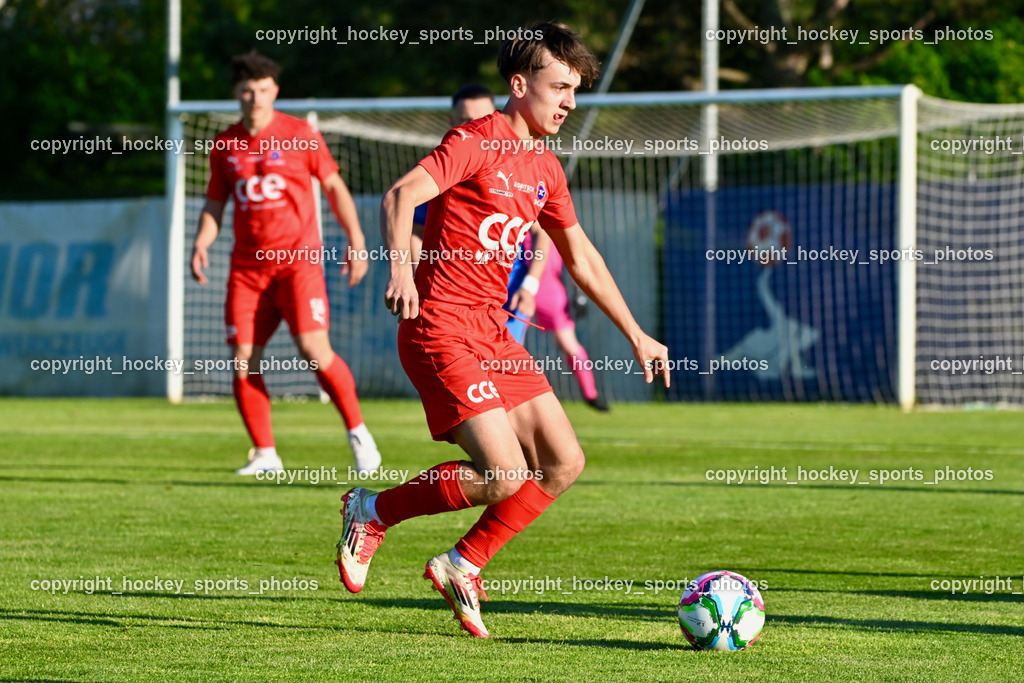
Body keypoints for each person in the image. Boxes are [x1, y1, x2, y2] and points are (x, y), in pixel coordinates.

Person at [336, 24, 669, 638]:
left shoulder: (545, 167)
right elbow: (400, 196)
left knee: (563, 463)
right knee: (505, 475)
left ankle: (462, 563)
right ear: (519, 85)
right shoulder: (475, 141)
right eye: (559, 87)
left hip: (493, 335)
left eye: (575, 90)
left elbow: (581, 257)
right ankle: (372, 511)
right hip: (439, 327)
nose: (569, 102)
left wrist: (636, 333)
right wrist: (402, 270)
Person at [191, 51, 381, 475]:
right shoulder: (224, 145)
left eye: (263, 89)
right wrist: (201, 242)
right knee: (243, 360)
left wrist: (356, 240)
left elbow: (334, 187)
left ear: (274, 91)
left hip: (298, 265)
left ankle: (359, 435)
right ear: (236, 93)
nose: (255, 98)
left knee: (314, 351)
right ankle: (265, 454)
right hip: (247, 271)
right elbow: (215, 204)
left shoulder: (300, 134)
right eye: (247, 90)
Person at [409, 84, 550, 344]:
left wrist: (529, 287)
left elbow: (544, 234)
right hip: (453, 302)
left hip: (508, 298)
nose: (474, 128)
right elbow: (414, 226)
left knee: (502, 365)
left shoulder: (521, 170)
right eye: (465, 121)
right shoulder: (441, 170)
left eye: (481, 119)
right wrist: (417, 279)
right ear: (451, 122)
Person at [529, 237, 609, 410]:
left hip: (546, 289)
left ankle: (590, 394)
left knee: (569, 344)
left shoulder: (546, 230)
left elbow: (572, 258)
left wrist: (578, 292)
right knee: (510, 340)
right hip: (520, 287)